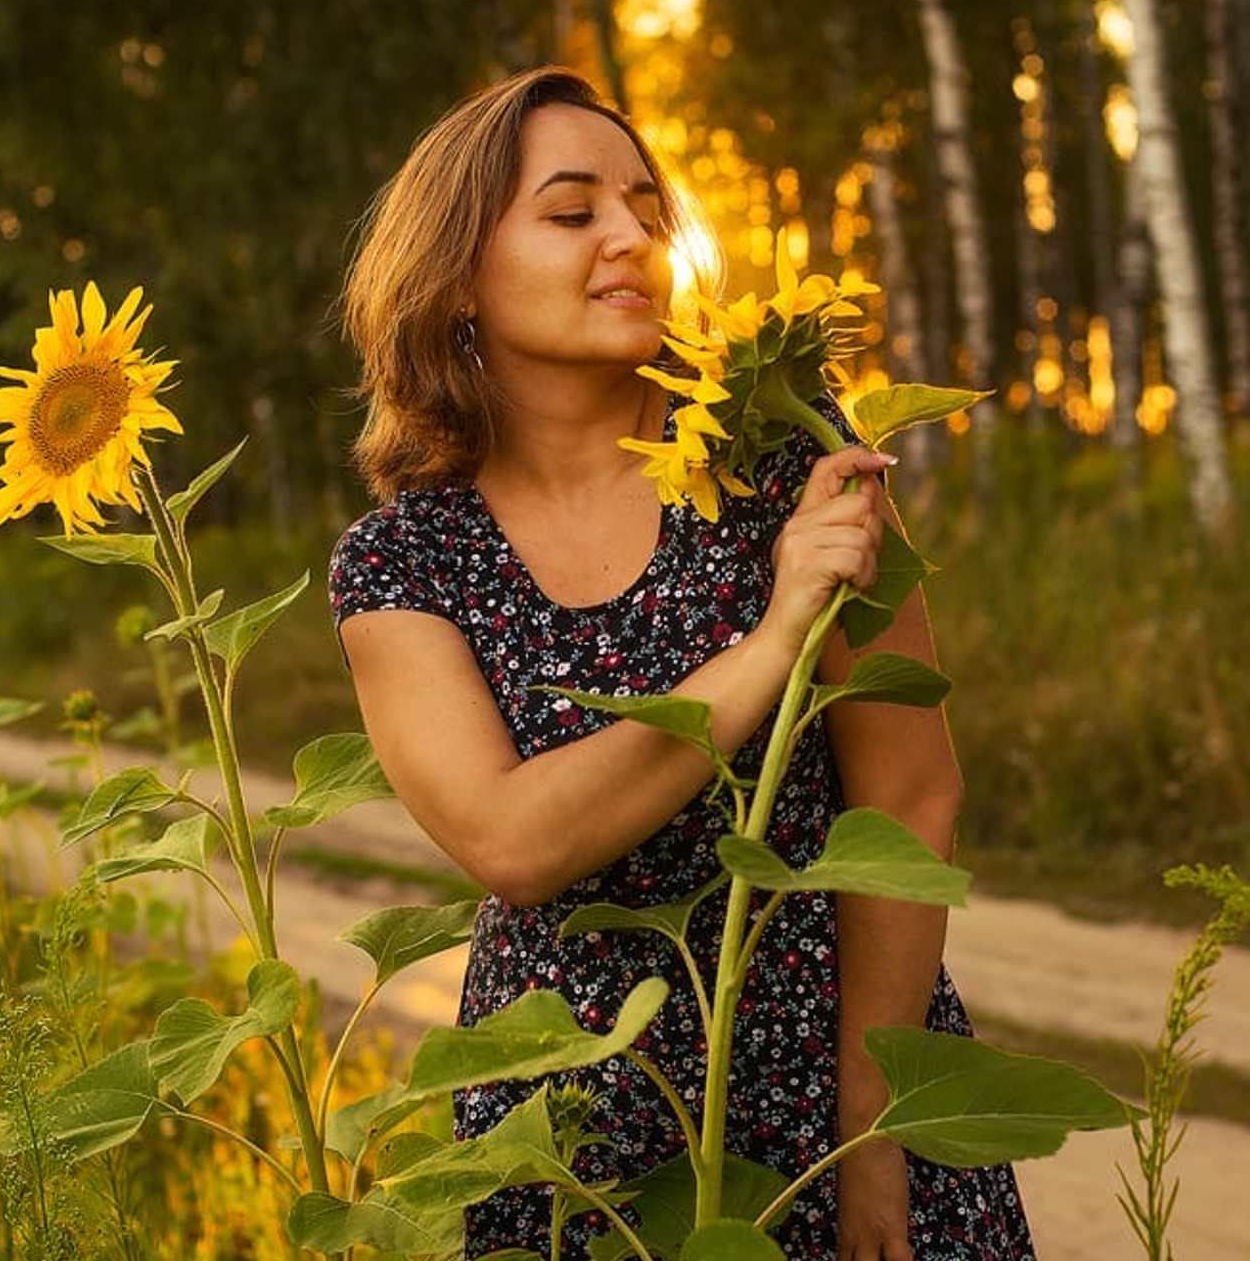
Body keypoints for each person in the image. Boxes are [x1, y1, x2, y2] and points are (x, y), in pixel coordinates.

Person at [328, 66, 1035, 1261]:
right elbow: (513, 839)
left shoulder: (787, 463)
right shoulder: (406, 561)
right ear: (455, 277)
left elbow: (910, 792)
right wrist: (770, 642)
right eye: (571, 212)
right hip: (569, 1123)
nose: (631, 238)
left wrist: (873, 1141)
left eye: (647, 211)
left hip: (837, 1081)